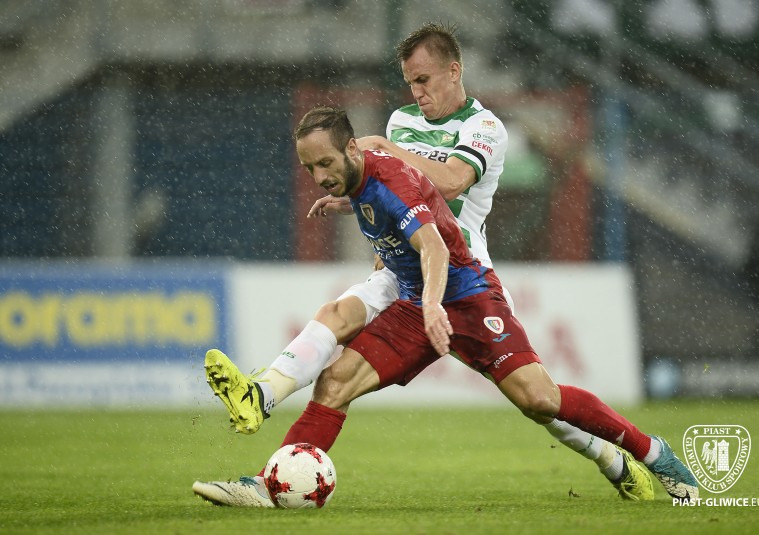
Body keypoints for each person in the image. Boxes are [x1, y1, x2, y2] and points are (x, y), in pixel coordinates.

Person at [198, 23, 651, 503]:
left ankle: (612, 458)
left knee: (538, 403)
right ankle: (261, 410)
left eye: (423, 80)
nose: (416, 92)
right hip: (402, 268)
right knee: (336, 323)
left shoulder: (484, 127)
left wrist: (387, 149)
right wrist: (352, 202)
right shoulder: (401, 121)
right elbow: (396, 191)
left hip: (460, 273)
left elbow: (450, 182)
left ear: (454, 71)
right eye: (410, 82)